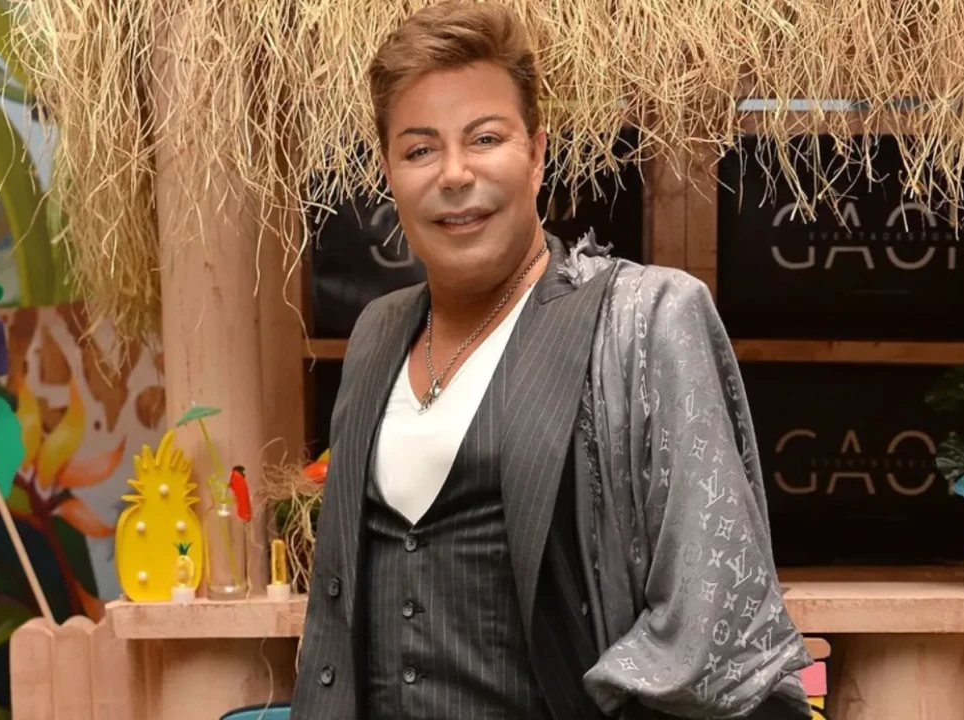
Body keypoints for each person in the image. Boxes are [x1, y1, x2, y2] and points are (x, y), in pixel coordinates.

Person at [291, 2, 813, 718]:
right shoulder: (378, 333)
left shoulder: (647, 318)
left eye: (485, 138)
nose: (454, 174)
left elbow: (714, 617)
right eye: (419, 150)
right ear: (388, 172)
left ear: (537, 154)